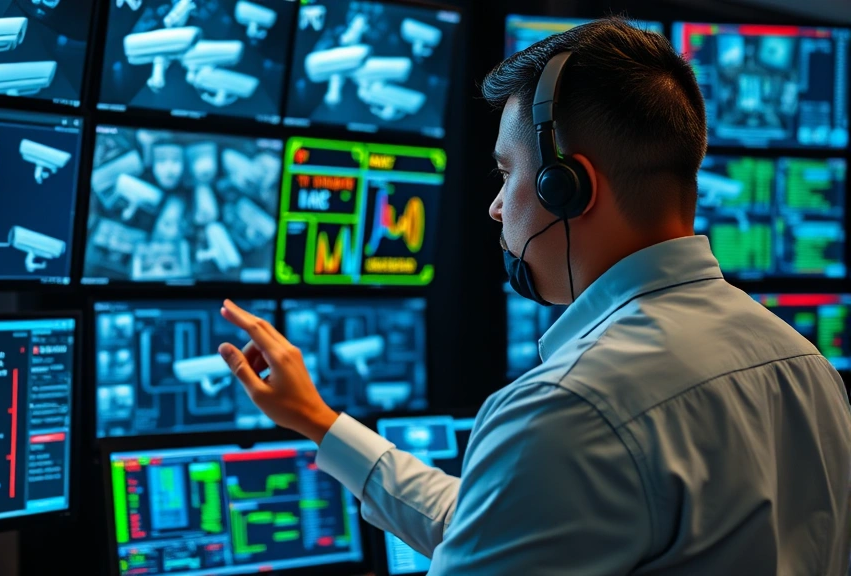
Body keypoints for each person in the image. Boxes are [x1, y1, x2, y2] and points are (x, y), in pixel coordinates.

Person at [216, 17, 851, 575]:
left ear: (567, 186)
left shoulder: (568, 406)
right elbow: (503, 525)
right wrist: (320, 423)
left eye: (506, 173)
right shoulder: (804, 366)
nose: (495, 208)